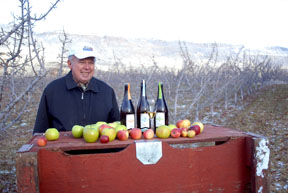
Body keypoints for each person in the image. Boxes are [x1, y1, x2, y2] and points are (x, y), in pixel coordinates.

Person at [33, 43, 120, 134]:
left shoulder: (106, 92)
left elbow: (117, 131)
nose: (87, 67)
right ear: (70, 64)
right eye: (82, 62)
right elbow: (39, 133)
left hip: (100, 148)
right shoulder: (52, 91)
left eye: (91, 62)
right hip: (62, 148)